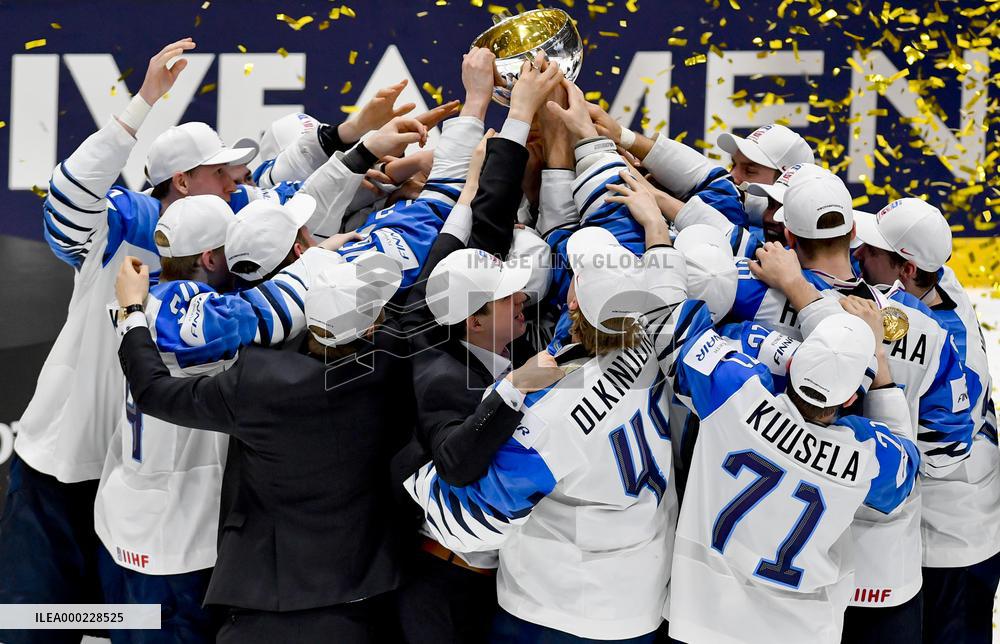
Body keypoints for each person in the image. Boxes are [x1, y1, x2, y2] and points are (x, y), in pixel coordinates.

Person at [725, 167, 974, 642]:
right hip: (882, 567)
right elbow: (948, 450)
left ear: (789, 236)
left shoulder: (749, 293)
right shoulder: (927, 327)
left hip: (772, 560)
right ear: (854, 232)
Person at [112, 250, 411, 643]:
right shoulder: (392, 365)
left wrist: (132, 312)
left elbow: (153, 392)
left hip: (261, 598)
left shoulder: (258, 382)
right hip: (358, 595)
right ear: (371, 329)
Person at [391, 55, 564, 644]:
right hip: (446, 584)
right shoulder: (440, 376)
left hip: (500, 577)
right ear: (474, 319)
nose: (523, 302)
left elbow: (470, 238)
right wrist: (514, 388)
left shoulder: (443, 311)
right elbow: (458, 464)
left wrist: (470, 188)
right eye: (508, 297)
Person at [665, 294, 919, 644]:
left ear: (793, 365)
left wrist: (765, 346)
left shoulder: (737, 395)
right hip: (802, 632)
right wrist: (879, 360)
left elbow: (682, 326)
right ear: (849, 400)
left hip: (701, 619)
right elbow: (905, 465)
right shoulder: (866, 456)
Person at [853, 199, 1000, 644]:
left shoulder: (947, 347)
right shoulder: (938, 281)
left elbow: (942, 453)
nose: (859, 253)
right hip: (953, 529)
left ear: (907, 270)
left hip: (953, 544)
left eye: (872, 251)